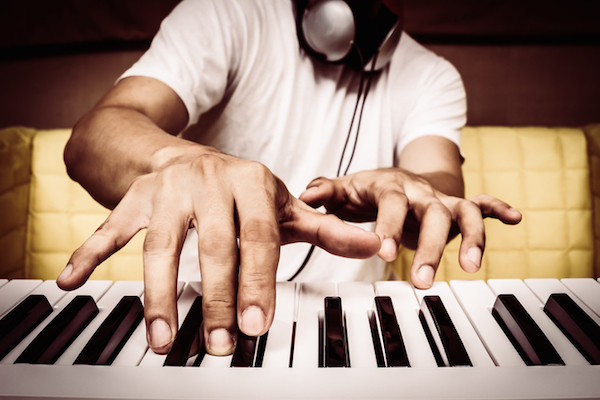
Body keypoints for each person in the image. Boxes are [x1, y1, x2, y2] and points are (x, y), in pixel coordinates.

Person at [57, 0, 522, 357]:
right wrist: (186, 161)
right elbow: (94, 136)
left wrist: (409, 187)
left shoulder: (433, 77)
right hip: (198, 320)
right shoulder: (225, 12)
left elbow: (437, 183)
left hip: (353, 333)